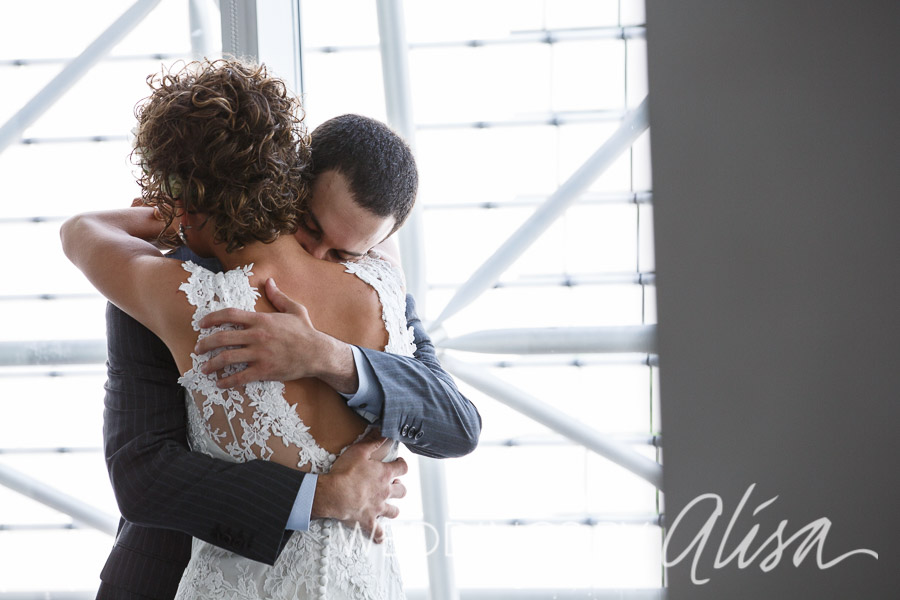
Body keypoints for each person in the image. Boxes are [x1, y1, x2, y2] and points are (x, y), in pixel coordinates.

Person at [61, 59, 479, 599]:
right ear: (292, 177)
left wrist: (328, 356)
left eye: (349, 248)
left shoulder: (162, 288)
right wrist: (324, 496)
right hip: (161, 577)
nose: (323, 253)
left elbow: (456, 423)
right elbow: (143, 475)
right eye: (312, 227)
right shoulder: (375, 278)